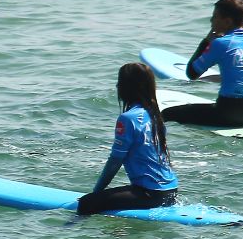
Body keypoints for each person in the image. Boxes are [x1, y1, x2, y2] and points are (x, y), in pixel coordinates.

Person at [162, 0, 243, 127]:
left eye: (215, 17)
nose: (211, 20)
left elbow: (192, 73)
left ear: (227, 22)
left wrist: (206, 41)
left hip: (225, 115)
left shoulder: (219, 44)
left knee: (167, 113)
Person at [77, 63, 179, 215]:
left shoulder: (127, 119)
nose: (117, 85)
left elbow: (115, 161)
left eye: (120, 82)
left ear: (129, 87)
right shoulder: (154, 114)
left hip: (151, 194)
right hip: (171, 191)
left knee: (86, 203)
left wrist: (95, 193)